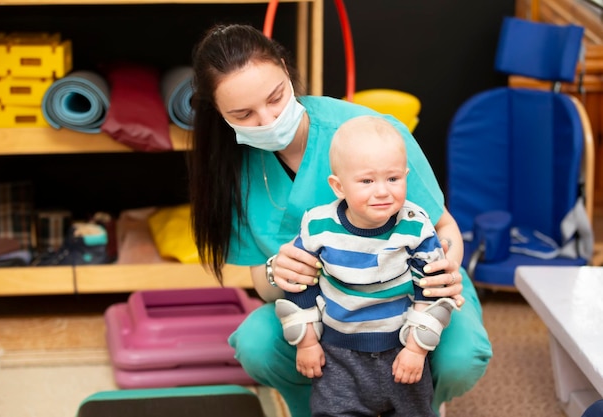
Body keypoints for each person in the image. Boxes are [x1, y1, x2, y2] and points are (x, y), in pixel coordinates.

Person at [188, 23, 492, 417]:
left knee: (462, 356)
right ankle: (315, 407)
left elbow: (444, 226)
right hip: (327, 308)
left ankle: (422, 403)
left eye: (276, 97)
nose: (267, 119)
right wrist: (278, 271)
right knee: (256, 343)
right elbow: (264, 286)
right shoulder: (231, 168)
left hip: (410, 292)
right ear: (219, 113)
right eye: (243, 114)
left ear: (285, 67)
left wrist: (443, 267)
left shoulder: (367, 133)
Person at [275, 115, 459, 416]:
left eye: (393, 179)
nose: (383, 191)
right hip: (338, 354)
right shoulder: (318, 226)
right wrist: (306, 342)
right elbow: (300, 282)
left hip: (401, 347)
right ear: (338, 186)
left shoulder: (415, 226)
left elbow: (431, 291)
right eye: (367, 181)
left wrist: (416, 348)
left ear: (405, 176)